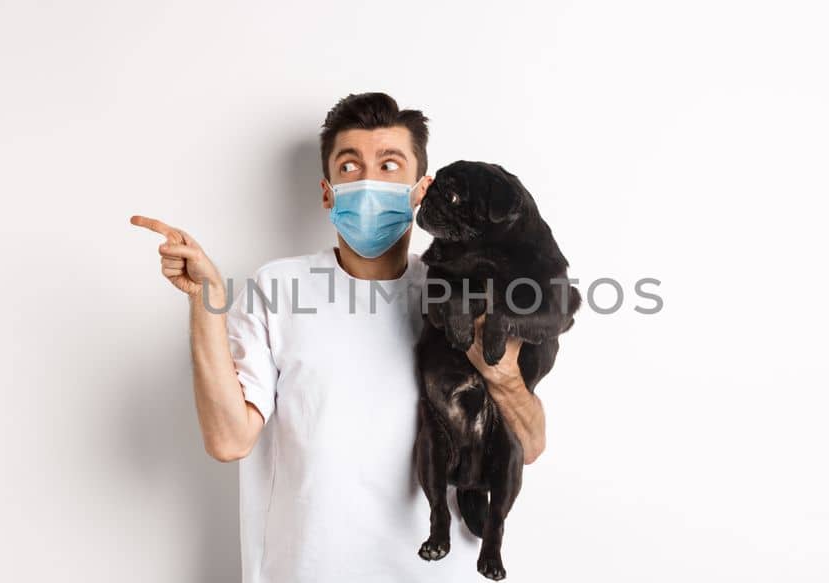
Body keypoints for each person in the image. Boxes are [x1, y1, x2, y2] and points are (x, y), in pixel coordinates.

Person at [129, 92, 547, 583]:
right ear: (328, 192)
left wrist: (500, 376)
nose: (370, 181)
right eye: (351, 166)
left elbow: (531, 444)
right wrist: (204, 301)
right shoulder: (278, 288)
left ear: (421, 189)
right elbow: (228, 439)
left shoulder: (467, 298)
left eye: (390, 165)